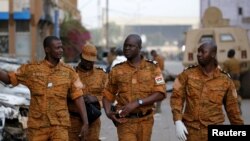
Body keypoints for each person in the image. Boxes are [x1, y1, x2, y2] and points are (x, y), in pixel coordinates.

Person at [0, 36, 89, 141]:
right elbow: (8, 79)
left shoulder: (69, 72)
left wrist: (85, 122)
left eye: (61, 47)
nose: (61, 50)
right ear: (47, 49)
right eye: (57, 48)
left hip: (59, 126)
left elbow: (78, 96)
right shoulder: (32, 70)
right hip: (37, 127)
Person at [170, 41, 244, 141]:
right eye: (198, 51)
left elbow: (233, 111)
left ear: (213, 54)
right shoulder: (187, 74)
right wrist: (178, 120)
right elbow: (176, 97)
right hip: (192, 132)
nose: (199, 54)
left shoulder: (225, 80)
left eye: (203, 52)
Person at [102, 34, 166, 141]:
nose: (127, 48)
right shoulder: (117, 70)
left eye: (131, 46)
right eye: (125, 45)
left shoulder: (152, 68)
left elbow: (161, 92)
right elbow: (107, 94)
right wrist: (108, 112)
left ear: (139, 48)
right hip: (125, 122)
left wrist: (137, 103)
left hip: (146, 121)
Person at [68, 43, 108, 141]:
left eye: (91, 61)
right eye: (86, 60)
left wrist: (95, 98)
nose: (88, 63)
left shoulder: (101, 75)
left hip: (93, 121)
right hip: (73, 120)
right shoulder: (71, 74)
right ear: (81, 56)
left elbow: (109, 96)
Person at [222, 49, 242, 114]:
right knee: (237, 94)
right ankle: (239, 108)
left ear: (229, 54)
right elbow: (240, 71)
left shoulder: (226, 62)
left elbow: (224, 72)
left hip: (230, 82)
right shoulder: (238, 61)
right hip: (237, 81)